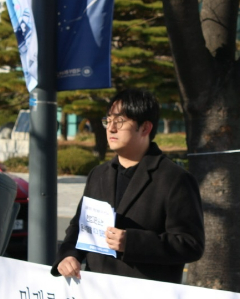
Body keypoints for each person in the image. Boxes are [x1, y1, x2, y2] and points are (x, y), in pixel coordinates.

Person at [51, 89, 205, 283]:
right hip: (97, 295)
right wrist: (69, 255)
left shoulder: (174, 179)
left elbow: (191, 244)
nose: (111, 128)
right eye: (108, 120)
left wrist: (132, 243)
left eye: (120, 121)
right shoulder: (98, 174)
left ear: (145, 128)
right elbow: (80, 227)